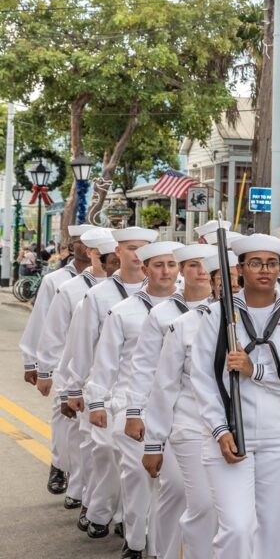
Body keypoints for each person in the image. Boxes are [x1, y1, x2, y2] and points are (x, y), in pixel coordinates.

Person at [191, 234, 280, 558]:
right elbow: (203, 377)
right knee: (236, 528)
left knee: (274, 532)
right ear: (240, 269)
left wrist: (256, 371)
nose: (264, 270)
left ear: (279, 268)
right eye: (255, 263)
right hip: (231, 435)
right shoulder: (220, 315)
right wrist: (220, 430)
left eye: (271, 263)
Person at [87, 240, 184, 559]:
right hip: (132, 406)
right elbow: (107, 361)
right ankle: (136, 540)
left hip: (179, 410)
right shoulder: (123, 311)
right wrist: (98, 402)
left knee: (173, 485)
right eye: (158, 265)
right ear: (145, 270)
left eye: (171, 264)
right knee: (139, 477)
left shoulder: (195, 309)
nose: (166, 271)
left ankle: (162, 546)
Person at [142, 249, 238, 559]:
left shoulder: (266, 323)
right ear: (213, 282)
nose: (233, 286)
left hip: (247, 431)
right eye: (225, 279)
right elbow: (164, 385)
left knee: (237, 517)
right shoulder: (185, 325)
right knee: (202, 504)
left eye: (238, 279)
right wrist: (154, 443)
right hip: (192, 427)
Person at [124, 243, 217, 559]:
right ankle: (162, 552)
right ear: (182, 270)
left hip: (221, 422)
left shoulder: (229, 312)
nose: (201, 271)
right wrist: (136, 412)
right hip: (179, 417)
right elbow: (145, 367)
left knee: (212, 501)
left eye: (206, 265)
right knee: (175, 490)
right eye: (192, 265)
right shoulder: (161, 315)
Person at [66, 227, 159, 538]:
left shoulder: (168, 293)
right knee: (105, 452)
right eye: (130, 248)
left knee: (139, 464)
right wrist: (75, 387)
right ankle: (99, 510)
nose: (137, 254)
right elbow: (82, 345)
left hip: (152, 392)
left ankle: (128, 519)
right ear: (117, 251)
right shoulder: (97, 296)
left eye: (143, 249)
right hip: (109, 389)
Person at [35, 228, 114, 511]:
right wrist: (42, 369)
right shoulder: (65, 286)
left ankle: (91, 496)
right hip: (70, 366)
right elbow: (49, 330)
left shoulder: (132, 291)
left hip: (111, 375)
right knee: (72, 429)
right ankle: (62, 469)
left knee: (100, 442)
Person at [20, 224, 94, 498]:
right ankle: (58, 465)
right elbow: (41, 323)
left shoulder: (112, 279)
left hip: (96, 361)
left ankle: (85, 484)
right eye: (78, 242)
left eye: (90, 244)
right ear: (69, 245)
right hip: (63, 359)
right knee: (64, 418)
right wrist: (35, 365)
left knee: (90, 426)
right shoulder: (56, 280)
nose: (84, 248)